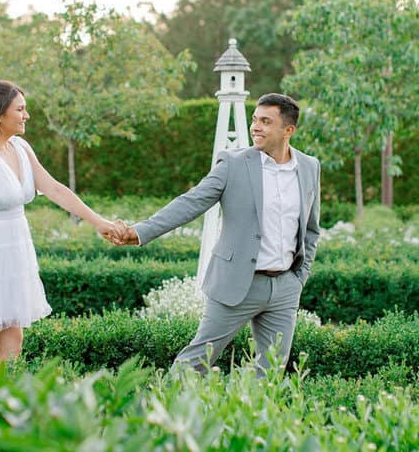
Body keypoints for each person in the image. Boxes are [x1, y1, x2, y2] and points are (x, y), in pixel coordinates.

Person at [0, 76, 121, 376]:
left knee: (13, 342)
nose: (26, 115)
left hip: (12, 258)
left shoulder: (21, 149)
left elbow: (54, 188)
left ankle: (0, 415)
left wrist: (98, 221)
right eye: (20, 109)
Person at [116, 93, 321, 373]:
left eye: (265, 121)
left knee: (271, 372)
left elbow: (311, 229)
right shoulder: (233, 164)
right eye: (254, 119)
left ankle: (253, 417)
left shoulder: (310, 167)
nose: (255, 127)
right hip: (236, 285)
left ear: (288, 131)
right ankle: (162, 413)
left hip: (285, 287)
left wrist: (299, 278)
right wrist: (139, 232)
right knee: (194, 362)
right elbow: (191, 202)